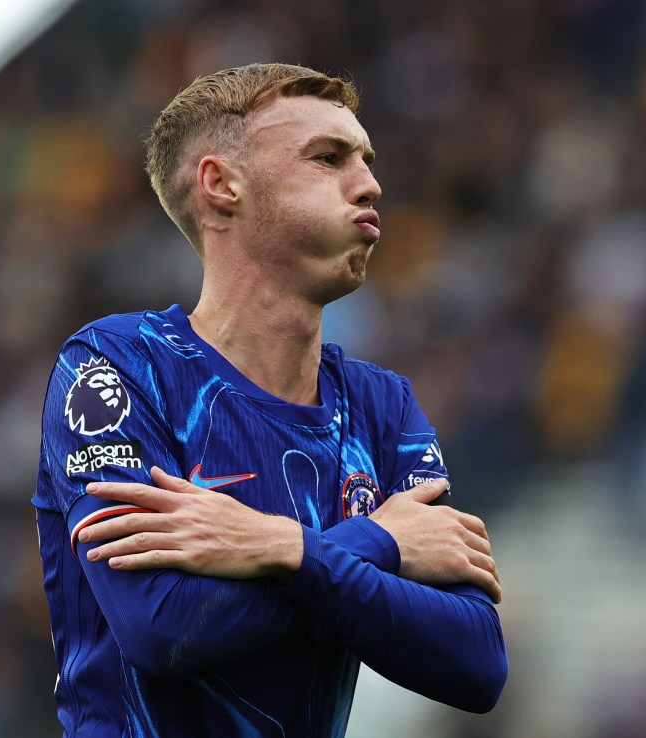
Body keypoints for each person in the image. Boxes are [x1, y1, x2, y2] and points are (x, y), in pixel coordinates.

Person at [33, 62, 508, 737]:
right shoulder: (117, 368)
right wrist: (375, 542)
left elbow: (476, 661)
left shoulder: (381, 405)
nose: (369, 183)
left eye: (366, 161)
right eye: (328, 158)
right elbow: (162, 627)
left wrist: (277, 545)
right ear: (222, 185)